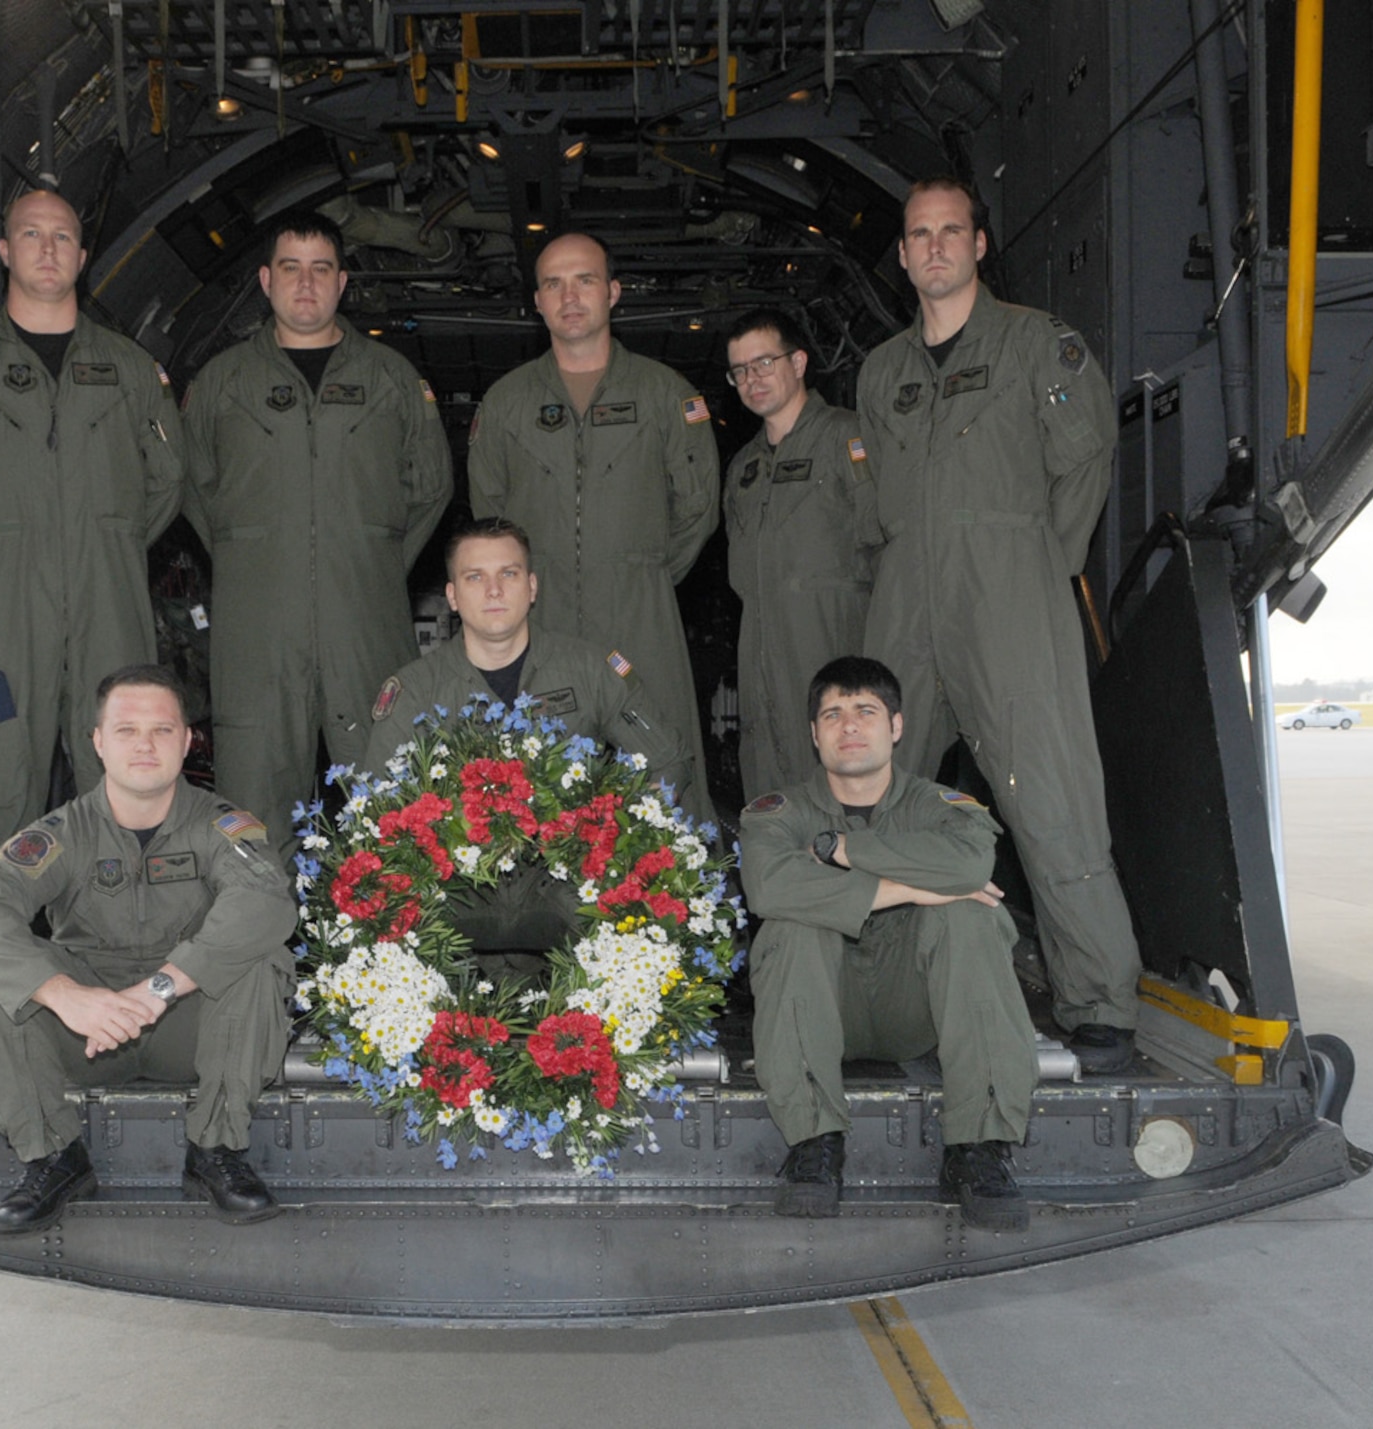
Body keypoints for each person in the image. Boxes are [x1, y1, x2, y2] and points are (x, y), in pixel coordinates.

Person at [853, 176, 1142, 1073]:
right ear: (901, 256)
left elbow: (1086, 458)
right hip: (908, 587)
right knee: (873, 784)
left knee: (1049, 788)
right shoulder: (882, 372)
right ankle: (871, 998)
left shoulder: (1033, 343)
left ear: (979, 243)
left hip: (1010, 585)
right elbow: (876, 502)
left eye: (951, 230)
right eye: (917, 234)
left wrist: (1033, 568)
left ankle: (1097, 999)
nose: (934, 246)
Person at [0, 190, 184, 879]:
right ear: (4, 252)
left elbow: (167, 478)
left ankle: (117, 950)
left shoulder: (130, 369)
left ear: (82, 258)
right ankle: (1, 967)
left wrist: (108, 544)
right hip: (4, 607)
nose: (48, 248)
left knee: (122, 773)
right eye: (31, 234)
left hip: (107, 601)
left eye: (62, 236)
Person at [0, 664, 298, 1232]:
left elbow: (265, 902)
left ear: (187, 742)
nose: (144, 745)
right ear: (98, 742)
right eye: (126, 730)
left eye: (161, 730)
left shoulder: (221, 826)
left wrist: (162, 986)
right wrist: (65, 996)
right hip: (85, 1034)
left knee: (260, 958)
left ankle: (216, 1149)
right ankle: (52, 1157)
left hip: (187, 1024)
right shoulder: (61, 833)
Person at [179, 209, 453, 859]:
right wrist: (253, 559)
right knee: (253, 802)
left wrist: (373, 559)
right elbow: (191, 487)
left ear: (342, 282)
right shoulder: (221, 382)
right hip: (257, 628)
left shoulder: (391, 380)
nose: (306, 285)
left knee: (388, 792)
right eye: (292, 269)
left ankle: (392, 954)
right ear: (266, 281)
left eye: (321, 269)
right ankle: (259, 956)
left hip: (367, 618)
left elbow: (430, 485)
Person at [739, 657, 1039, 1229]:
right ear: (814, 734)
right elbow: (768, 885)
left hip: (917, 1006)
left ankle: (978, 1148)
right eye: (833, 714)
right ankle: (814, 1143)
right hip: (822, 1007)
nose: (849, 726)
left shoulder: (938, 806)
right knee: (791, 921)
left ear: (896, 727)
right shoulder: (780, 812)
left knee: (970, 918)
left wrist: (842, 851)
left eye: (865, 711)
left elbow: (972, 862)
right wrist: (908, 887)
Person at [467, 232, 720, 824]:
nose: (569, 295)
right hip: (541, 618)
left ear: (613, 292)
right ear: (537, 302)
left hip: (641, 610)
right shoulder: (506, 402)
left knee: (667, 765)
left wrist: (642, 570)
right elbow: (491, 516)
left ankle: (687, 907)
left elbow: (697, 507)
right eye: (553, 283)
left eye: (584, 280)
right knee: (533, 777)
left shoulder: (665, 394)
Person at [363, 517, 692, 950]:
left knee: (652, 907)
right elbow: (374, 807)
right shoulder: (417, 689)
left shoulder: (590, 670)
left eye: (509, 574)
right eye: (475, 577)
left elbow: (669, 762)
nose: (494, 590)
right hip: (458, 891)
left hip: (570, 885)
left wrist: (617, 831)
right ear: (453, 596)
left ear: (532, 587)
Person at [721, 308, 874, 798]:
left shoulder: (847, 437)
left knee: (838, 783)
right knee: (769, 784)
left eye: (764, 362)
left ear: (800, 361)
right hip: (760, 645)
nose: (752, 379)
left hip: (833, 640)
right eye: (740, 370)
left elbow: (887, 545)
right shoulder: (743, 466)